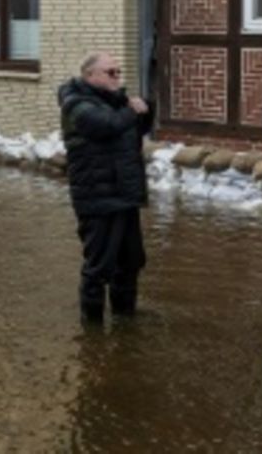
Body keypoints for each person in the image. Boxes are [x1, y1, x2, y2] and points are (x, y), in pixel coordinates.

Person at [58, 52, 155, 326]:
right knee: (99, 266)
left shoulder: (116, 102)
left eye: (118, 72)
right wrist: (130, 110)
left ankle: (126, 321)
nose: (117, 77)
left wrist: (144, 109)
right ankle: (92, 330)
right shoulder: (75, 104)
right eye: (110, 72)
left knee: (131, 262)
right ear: (90, 76)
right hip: (97, 198)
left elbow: (135, 129)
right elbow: (105, 126)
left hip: (124, 196)